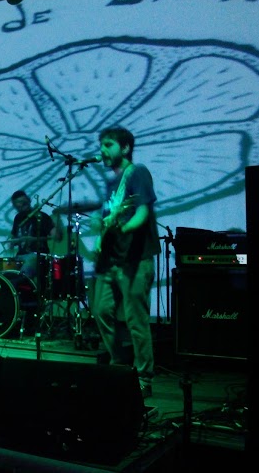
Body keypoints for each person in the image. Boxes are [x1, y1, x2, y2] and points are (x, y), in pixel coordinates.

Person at [91, 126, 160, 399]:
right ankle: (119, 365)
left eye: (108, 144)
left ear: (126, 147)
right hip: (112, 261)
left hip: (135, 259)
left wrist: (124, 226)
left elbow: (142, 212)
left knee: (136, 320)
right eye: (101, 145)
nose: (102, 150)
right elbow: (108, 220)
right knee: (100, 310)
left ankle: (144, 378)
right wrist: (101, 237)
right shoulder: (112, 184)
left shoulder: (137, 172)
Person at [7, 190, 56, 284]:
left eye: (23, 202)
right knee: (7, 272)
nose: (21, 205)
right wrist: (11, 243)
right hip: (20, 255)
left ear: (29, 201)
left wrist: (33, 239)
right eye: (18, 204)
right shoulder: (18, 218)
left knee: (23, 275)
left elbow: (54, 236)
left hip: (37, 255)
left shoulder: (42, 216)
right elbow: (13, 236)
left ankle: (19, 284)